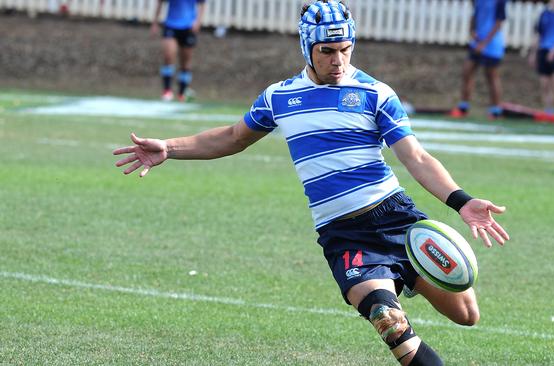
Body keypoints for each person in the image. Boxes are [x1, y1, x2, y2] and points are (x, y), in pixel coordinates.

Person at [114, 1, 510, 364]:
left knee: (467, 315)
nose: (338, 60)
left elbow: (417, 158)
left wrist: (462, 202)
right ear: (307, 48)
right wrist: (169, 146)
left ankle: (404, 275)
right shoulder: (280, 97)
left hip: (396, 218)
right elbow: (233, 137)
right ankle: (388, 289)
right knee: (388, 321)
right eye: (327, 51)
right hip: (344, 235)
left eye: (345, 49)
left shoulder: (375, 94)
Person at [450, 0, 508, 119]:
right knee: (467, 71)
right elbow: (475, 14)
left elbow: (499, 23)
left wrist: (485, 43)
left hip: (492, 44)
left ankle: (495, 110)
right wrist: (472, 31)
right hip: (477, 42)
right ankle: (463, 107)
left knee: (491, 76)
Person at [150, 0, 205, 102]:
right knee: (168, 56)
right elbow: (160, 3)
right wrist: (155, 23)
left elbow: (201, 4)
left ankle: (182, 93)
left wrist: (198, 22)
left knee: (185, 63)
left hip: (188, 27)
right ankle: (167, 91)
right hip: (171, 25)